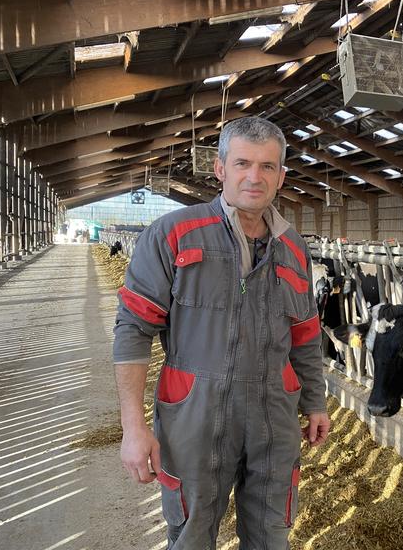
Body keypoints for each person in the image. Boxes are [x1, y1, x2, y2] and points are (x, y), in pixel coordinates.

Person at [113, 116, 330, 549]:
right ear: (220, 169)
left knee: (271, 534)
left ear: (282, 175)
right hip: (194, 413)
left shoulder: (294, 249)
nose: (255, 177)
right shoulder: (174, 234)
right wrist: (132, 426)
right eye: (243, 163)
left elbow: (305, 335)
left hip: (274, 415)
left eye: (268, 166)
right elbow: (132, 330)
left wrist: (316, 403)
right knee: (191, 534)